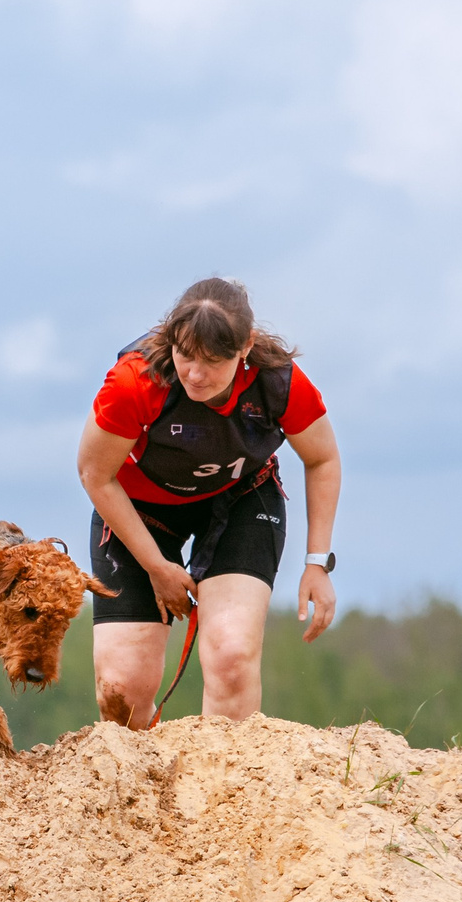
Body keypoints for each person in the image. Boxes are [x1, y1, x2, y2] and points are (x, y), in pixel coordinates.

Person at [76, 277, 341, 727]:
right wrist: (156, 567)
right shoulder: (135, 380)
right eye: (185, 356)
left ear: (245, 348)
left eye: (213, 362)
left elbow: (323, 458)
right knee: (123, 688)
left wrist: (317, 562)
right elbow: (94, 474)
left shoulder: (278, 382)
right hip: (140, 510)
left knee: (231, 656)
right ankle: (137, 791)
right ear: (170, 339)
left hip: (240, 498)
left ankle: (228, 794)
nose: (195, 375)